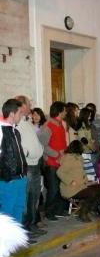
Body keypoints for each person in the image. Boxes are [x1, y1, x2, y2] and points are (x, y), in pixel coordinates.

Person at [14, 96, 45, 237]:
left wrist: (39, 150)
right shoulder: (17, 121)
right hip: (27, 166)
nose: (31, 106)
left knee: (35, 197)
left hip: (35, 164)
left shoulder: (27, 121)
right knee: (26, 199)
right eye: (29, 104)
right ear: (23, 105)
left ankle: (31, 225)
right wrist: (27, 153)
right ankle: (25, 230)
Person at [57, 140, 100, 222]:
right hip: (71, 189)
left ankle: (92, 209)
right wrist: (70, 181)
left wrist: (89, 181)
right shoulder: (69, 158)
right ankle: (82, 214)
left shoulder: (79, 158)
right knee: (92, 193)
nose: (83, 148)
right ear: (78, 148)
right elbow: (59, 172)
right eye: (81, 146)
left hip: (82, 186)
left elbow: (82, 174)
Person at [38, 101, 68, 221]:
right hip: (51, 163)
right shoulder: (48, 125)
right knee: (53, 188)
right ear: (60, 111)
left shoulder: (60, 124)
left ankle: (59, 210)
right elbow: (42, 145)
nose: (66, 112)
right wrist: (56, 154)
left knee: (60, 187)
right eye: (65, 110)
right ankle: (49, 212)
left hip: (61, 162)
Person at [0, 99, 27, 224]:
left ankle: (15, 241)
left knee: (18, 209)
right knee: (7, 213)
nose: (21, 116)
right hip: (8, 181)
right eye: (20, 113)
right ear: (12, 113)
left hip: (21, 178)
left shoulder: (15, 131)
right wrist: (7, 176)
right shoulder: (1, 130)